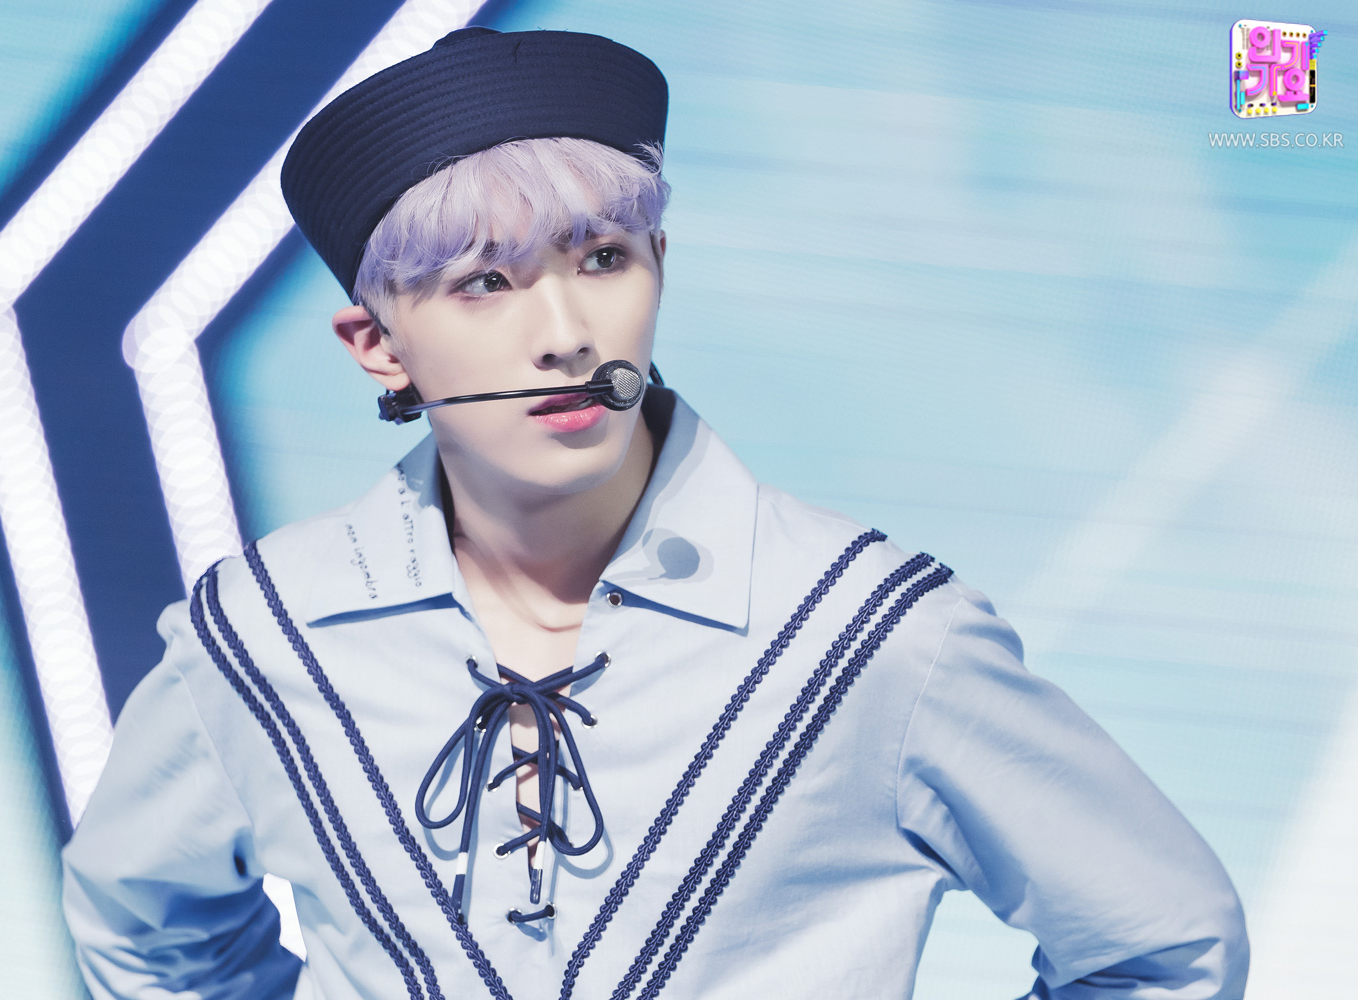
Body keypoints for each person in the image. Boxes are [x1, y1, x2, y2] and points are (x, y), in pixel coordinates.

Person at [61, 26, 1250, 1000]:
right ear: (377, 345)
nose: (565, 333)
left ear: (660, 265)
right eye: (484, 281)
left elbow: (1163, 945)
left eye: (602, 258)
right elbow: (145, 932)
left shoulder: (874, 629)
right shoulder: (263, 632)